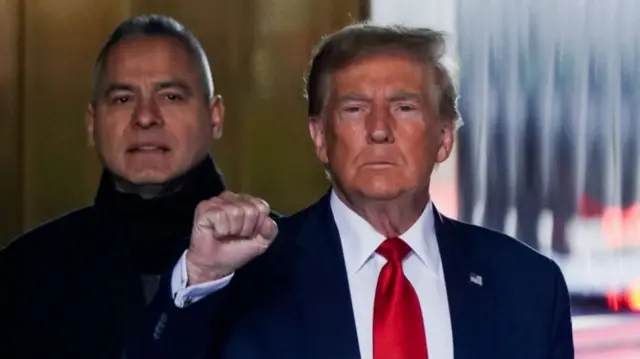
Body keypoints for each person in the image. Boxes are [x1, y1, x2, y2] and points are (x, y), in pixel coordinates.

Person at [125, 23, 574, 359]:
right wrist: (200, 278)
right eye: (356, 108)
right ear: (320, 137)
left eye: (404, 106)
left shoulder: (528, 287)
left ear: (443, 137)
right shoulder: (245, 278)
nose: (379, 130)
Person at [0, 15, 279, 359]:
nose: (145, 117)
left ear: (215, 116)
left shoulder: (291, 260)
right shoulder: (23, 274)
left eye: (171, 96)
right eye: (122, 99)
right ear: (92, 123)